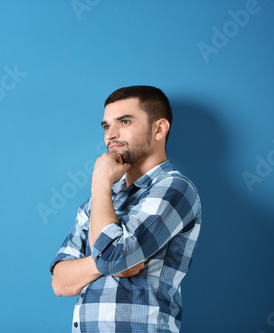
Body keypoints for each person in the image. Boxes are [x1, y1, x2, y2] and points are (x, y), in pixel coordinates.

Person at [50, 85, 202, 332]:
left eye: (124, 122)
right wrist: (101, 264)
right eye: (107, 126)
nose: (111, 135)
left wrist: (100, 183)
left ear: (159, 129)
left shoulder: (175, 188)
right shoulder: (97, 202)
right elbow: (60, 283)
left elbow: (115, 257)